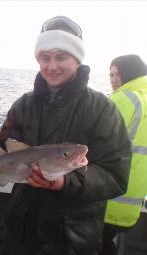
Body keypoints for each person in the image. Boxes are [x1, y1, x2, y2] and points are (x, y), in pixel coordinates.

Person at [0, 16, 132, 255]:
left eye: (61, 57)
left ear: (77, 59)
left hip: (73, 240)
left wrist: (66, 182)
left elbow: (116, 175)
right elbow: (2, 151)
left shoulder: (102, 109)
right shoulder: (22, 105)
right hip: (19, 234)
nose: (52, 66)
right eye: (45, 58)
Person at [101, 54, 147, 255]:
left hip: (106, 200)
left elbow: (94, 142)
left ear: (131, 72)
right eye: (110, 75)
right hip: (131, 206)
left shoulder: (123, 98)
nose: (113, 80)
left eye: (117, 74)